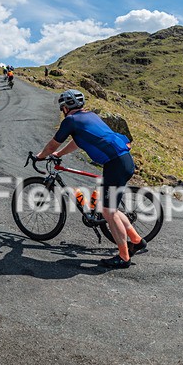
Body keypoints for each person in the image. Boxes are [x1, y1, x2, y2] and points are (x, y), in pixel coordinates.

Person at [35, 89, 144, 268]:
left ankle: (124, 257)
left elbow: (53, 143)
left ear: (65, 107)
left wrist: (40, 156)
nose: (62, 110)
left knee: (108, 212)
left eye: (62, 107)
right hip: (123, 160)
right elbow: (78, 141)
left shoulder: (70, 120)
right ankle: (136, 240)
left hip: (115, 164)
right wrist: (59, 154)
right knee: (110, 209)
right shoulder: (89, 116)